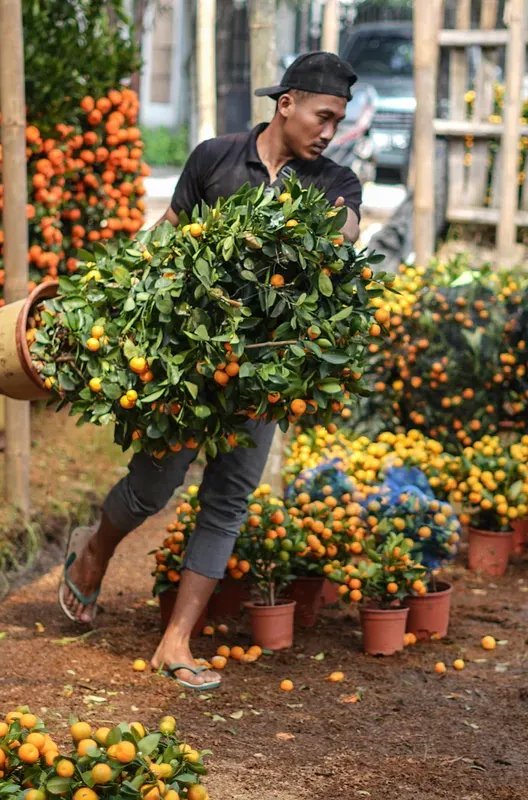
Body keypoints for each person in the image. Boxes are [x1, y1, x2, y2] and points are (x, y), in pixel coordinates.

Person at [59, 51, 364, 690]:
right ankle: (95, 550)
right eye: (323, 116)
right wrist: (113, 292)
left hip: (260, 373)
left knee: (227, 501)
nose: (330, 132)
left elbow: (342, 237)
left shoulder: (334, 183)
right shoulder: (216, 158)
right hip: (192, 367)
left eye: (338, 121)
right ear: (287, 103)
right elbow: (168, 234)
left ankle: (177, 641)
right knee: (151, 487)